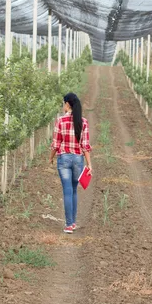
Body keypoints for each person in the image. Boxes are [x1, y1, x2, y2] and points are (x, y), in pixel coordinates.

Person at [49, 92, 92, 234]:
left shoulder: (60, 121)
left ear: (67, 104)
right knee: (73, 190)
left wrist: (51, 157)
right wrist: (89, 164)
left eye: (64, 103)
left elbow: (56, 143)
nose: (63, 106)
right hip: (78, 160)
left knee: (67, 191)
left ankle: (68, 225)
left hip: (64, 159)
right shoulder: (83, 122)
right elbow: (85, 145)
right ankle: (72, 223)